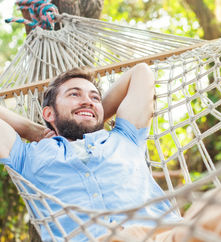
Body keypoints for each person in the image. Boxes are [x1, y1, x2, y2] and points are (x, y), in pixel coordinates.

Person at [0, 63, 182, 241]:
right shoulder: (26, 156)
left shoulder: (126, 137)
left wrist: (91, 112)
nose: (88, 101)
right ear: (48, 114)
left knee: (209, 211)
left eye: (95, 98)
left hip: (162, 235)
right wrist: (34, 131)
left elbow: (141, 72)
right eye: (74, 94)